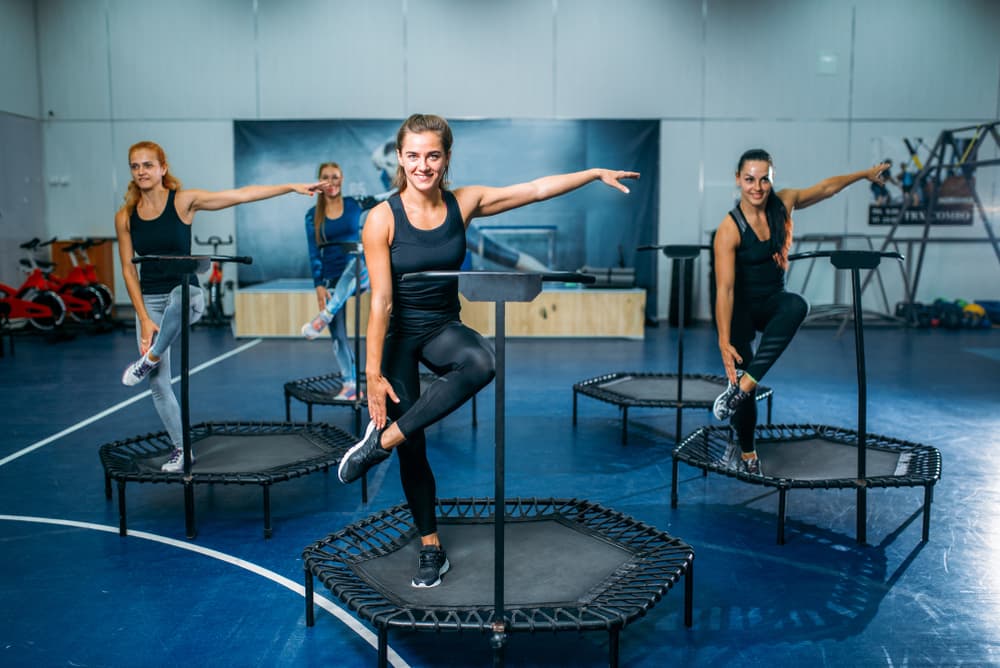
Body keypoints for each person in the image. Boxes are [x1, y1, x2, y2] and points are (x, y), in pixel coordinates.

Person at [336, 113, 638, 588]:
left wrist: (593, 173)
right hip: (399, 337)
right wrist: (372, 374)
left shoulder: (464, 202)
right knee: (415, 449)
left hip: (441, 326)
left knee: (482, 362)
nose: (422, 165)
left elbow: (535, 189)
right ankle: (430, 547)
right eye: (413, 155)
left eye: (432, 155)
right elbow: (381, 302)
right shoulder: (381, 219)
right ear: (399, 158)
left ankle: (382, 442)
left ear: (446, 157)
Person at [116, 140, 321, 472]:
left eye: (148, 165)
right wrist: (142, 317)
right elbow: (128, 269)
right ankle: (182, 450)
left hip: (187, 295)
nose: (142, 171)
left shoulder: (183, 201)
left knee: (178, 302)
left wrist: (290, 187)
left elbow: (241, 195)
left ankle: (150, 357)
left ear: (163, 168)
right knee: (158, 383)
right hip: (151, 300)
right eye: (135, 166)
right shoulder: (125, 216)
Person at [711, 149, 889, 475]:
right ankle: (747, 451)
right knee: (744, 378)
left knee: (797, 305)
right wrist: (724, 341)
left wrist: (863, 174)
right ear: (738, 180)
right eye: (749, 179)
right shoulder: (729, 228)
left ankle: (743, 387)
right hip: (739, 312)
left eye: (764, 179)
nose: (757, 187)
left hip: (772, 301)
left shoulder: (784, 202)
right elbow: (725, 290)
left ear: (772, 179)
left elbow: (826, 188)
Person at [301, 162, 370, 400]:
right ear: (319, 182)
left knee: (358, 259)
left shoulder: (355, 204)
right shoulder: (312, 215)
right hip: (332, 277)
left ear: (342, 179)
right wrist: (319, 284)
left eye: (335, 177)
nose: (331, 182)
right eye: (326, 177)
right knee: (338, 336)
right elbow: (314, 252)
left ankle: (325, 315)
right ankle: (350, 385)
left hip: (359, 273)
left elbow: (386, 197)